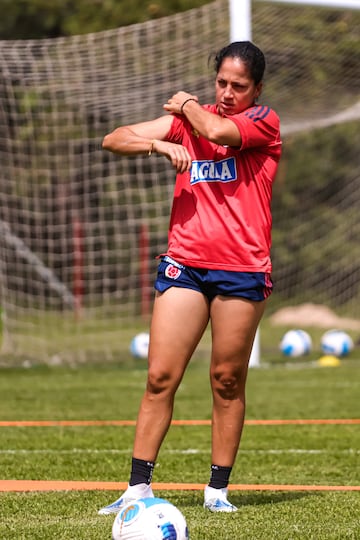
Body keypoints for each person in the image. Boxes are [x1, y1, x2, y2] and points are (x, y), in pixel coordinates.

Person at [98, 40, 282, 514]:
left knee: (226, 379)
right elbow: (114, 138)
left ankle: (217, 491)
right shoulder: (184, 122)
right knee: (160, 375)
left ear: (256, 90)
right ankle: (137, 489)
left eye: (238, 87)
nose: (226, 92)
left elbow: (218, 129)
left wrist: (185, 105)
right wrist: (158, 142)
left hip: (241, 269)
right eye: (220, 82)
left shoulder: (263, 122)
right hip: (186, 263)